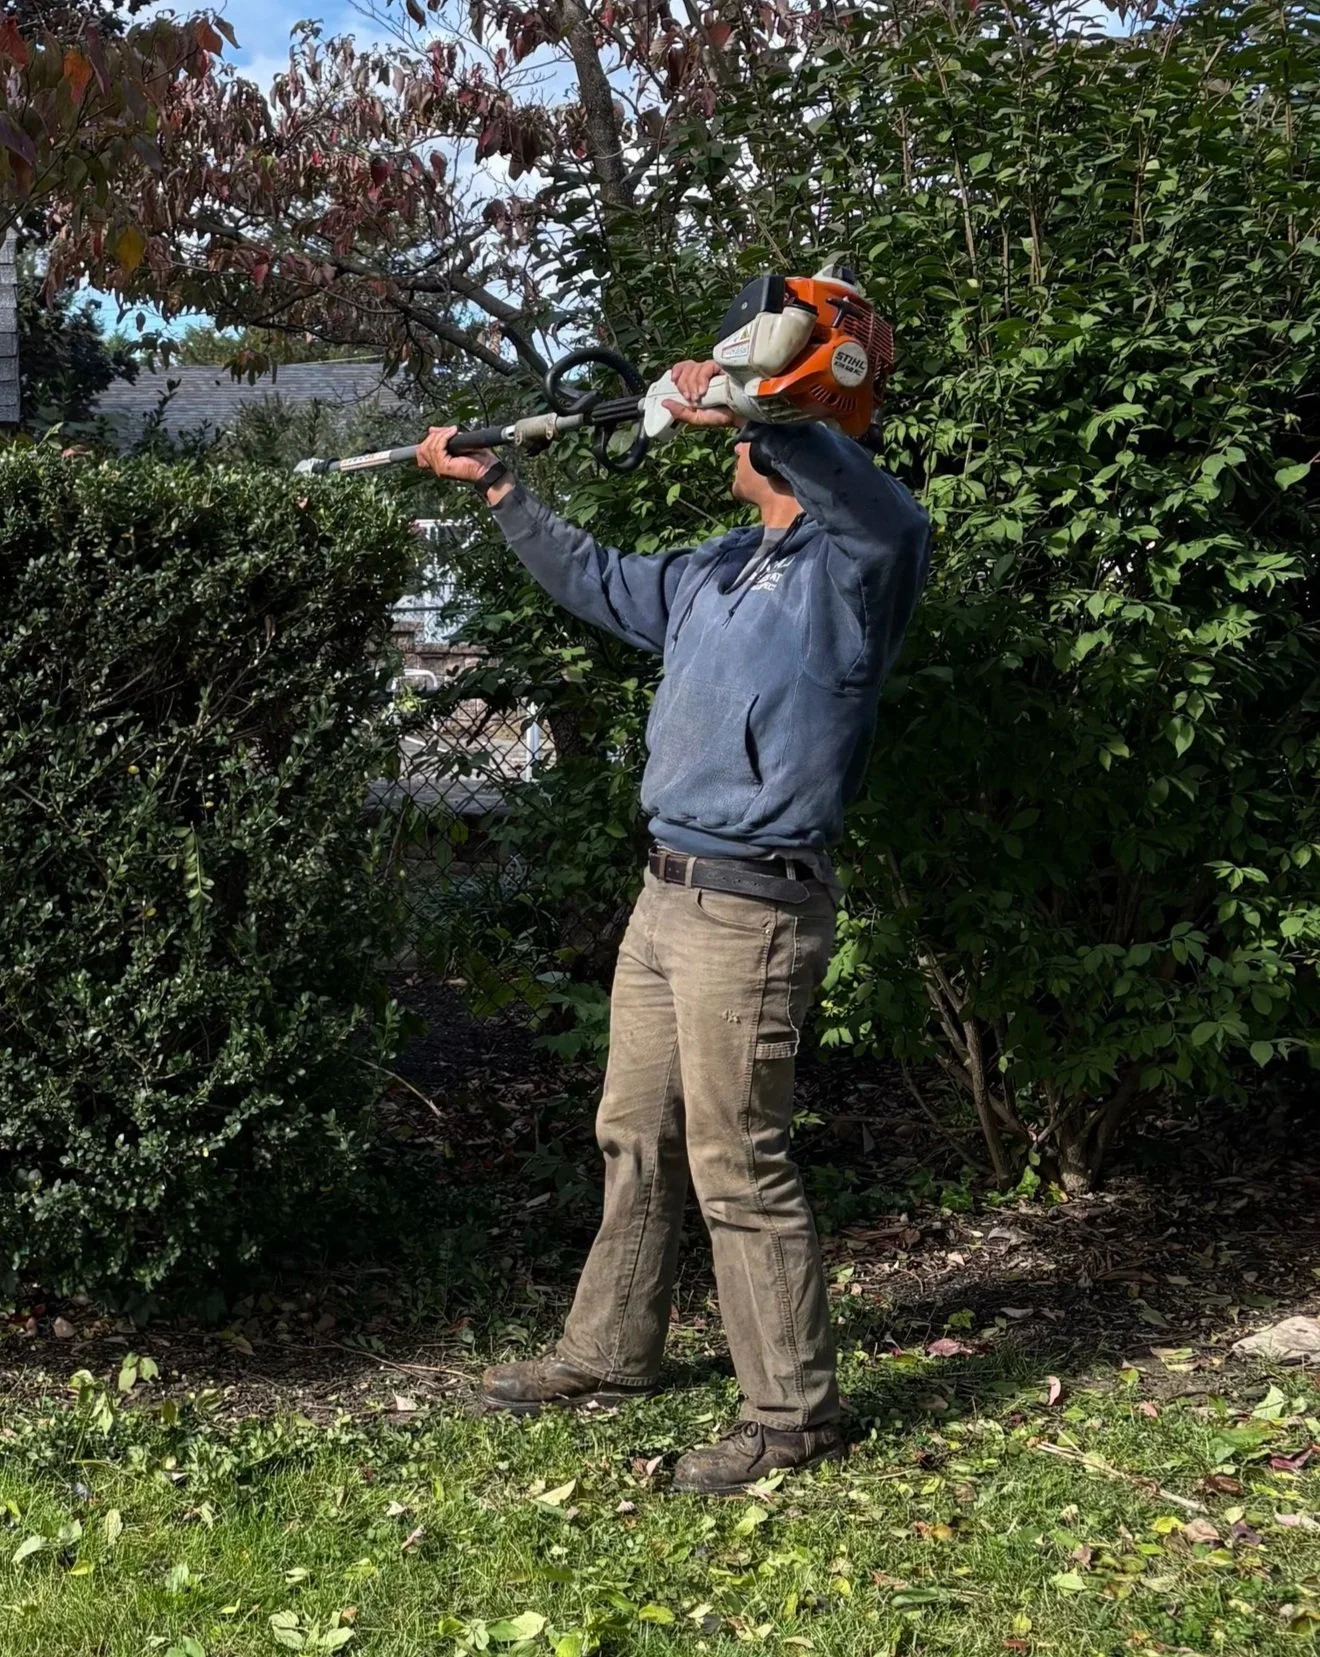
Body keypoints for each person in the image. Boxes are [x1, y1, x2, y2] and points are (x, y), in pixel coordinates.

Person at [416, 357, 931, 1495]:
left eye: (758, 421)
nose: (733, 440)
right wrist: (503, 489)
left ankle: (793, 1415)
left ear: (791, 431)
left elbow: (884, 508)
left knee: (737, 1161)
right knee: (632, 1131)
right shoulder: (718, 569)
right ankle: (610, 1351)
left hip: (752, 905)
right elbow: (598, 579)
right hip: (664, 895)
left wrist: (755, 401)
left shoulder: (857, 568)